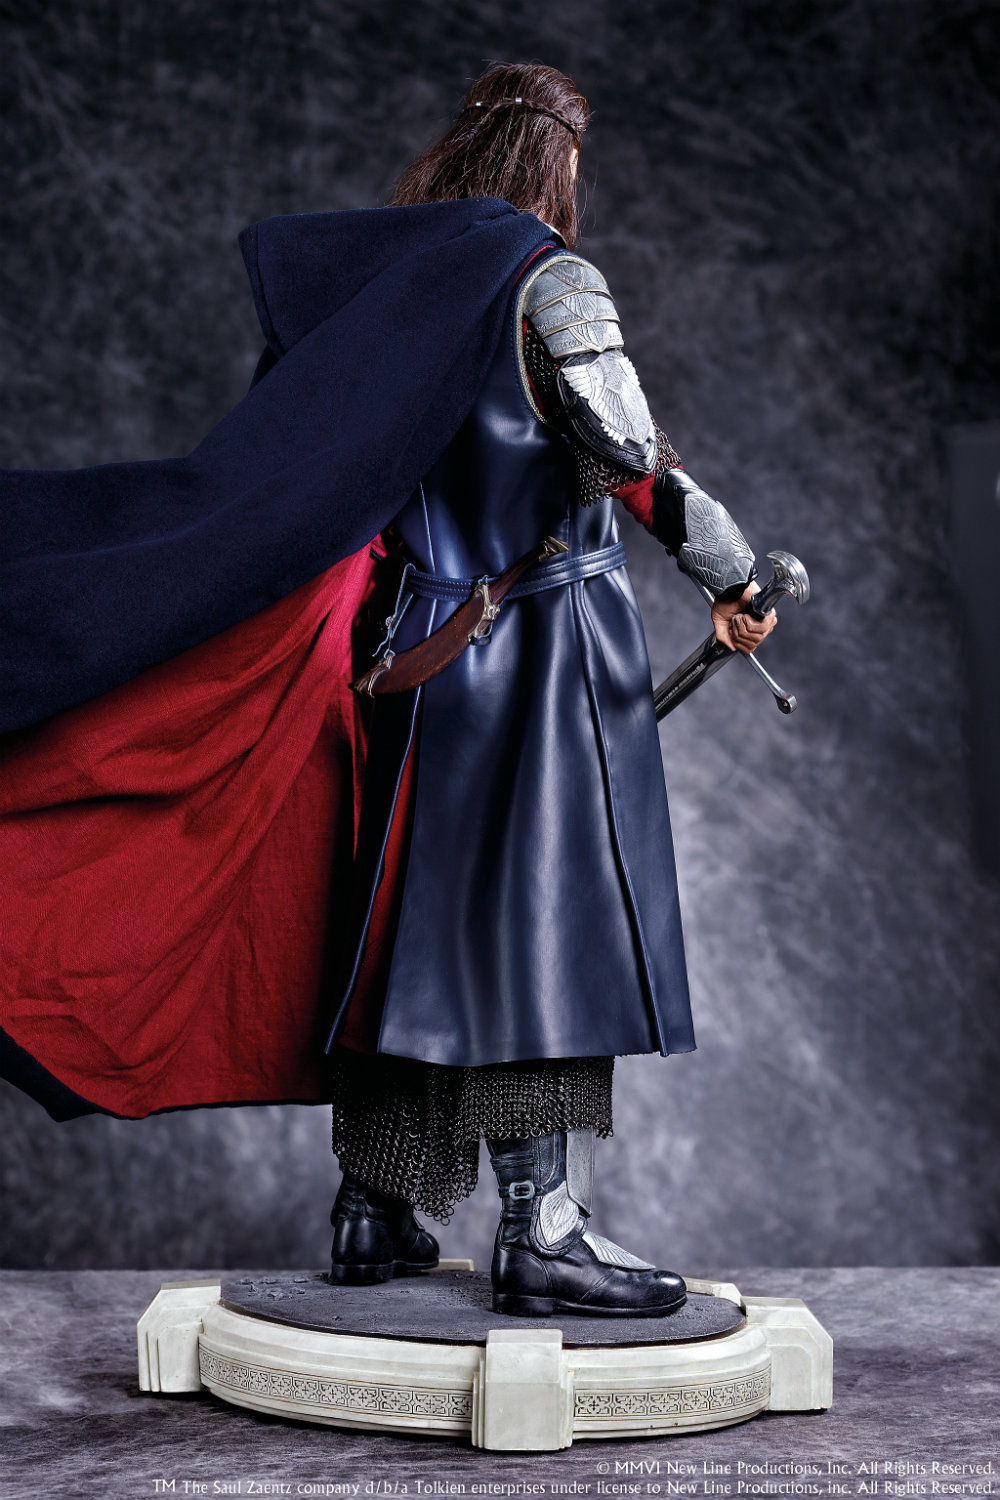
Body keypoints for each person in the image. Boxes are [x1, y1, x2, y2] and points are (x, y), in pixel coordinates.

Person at [0, 62, 773, 1319]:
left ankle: (375, 1212)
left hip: (411, 660)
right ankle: (545, 1229)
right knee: (542, 935)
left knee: (412, 940)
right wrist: (734, 572)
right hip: (539, 656)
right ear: (557, 160)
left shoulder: (385, 294)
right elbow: (631, 456)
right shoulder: (551, 282)